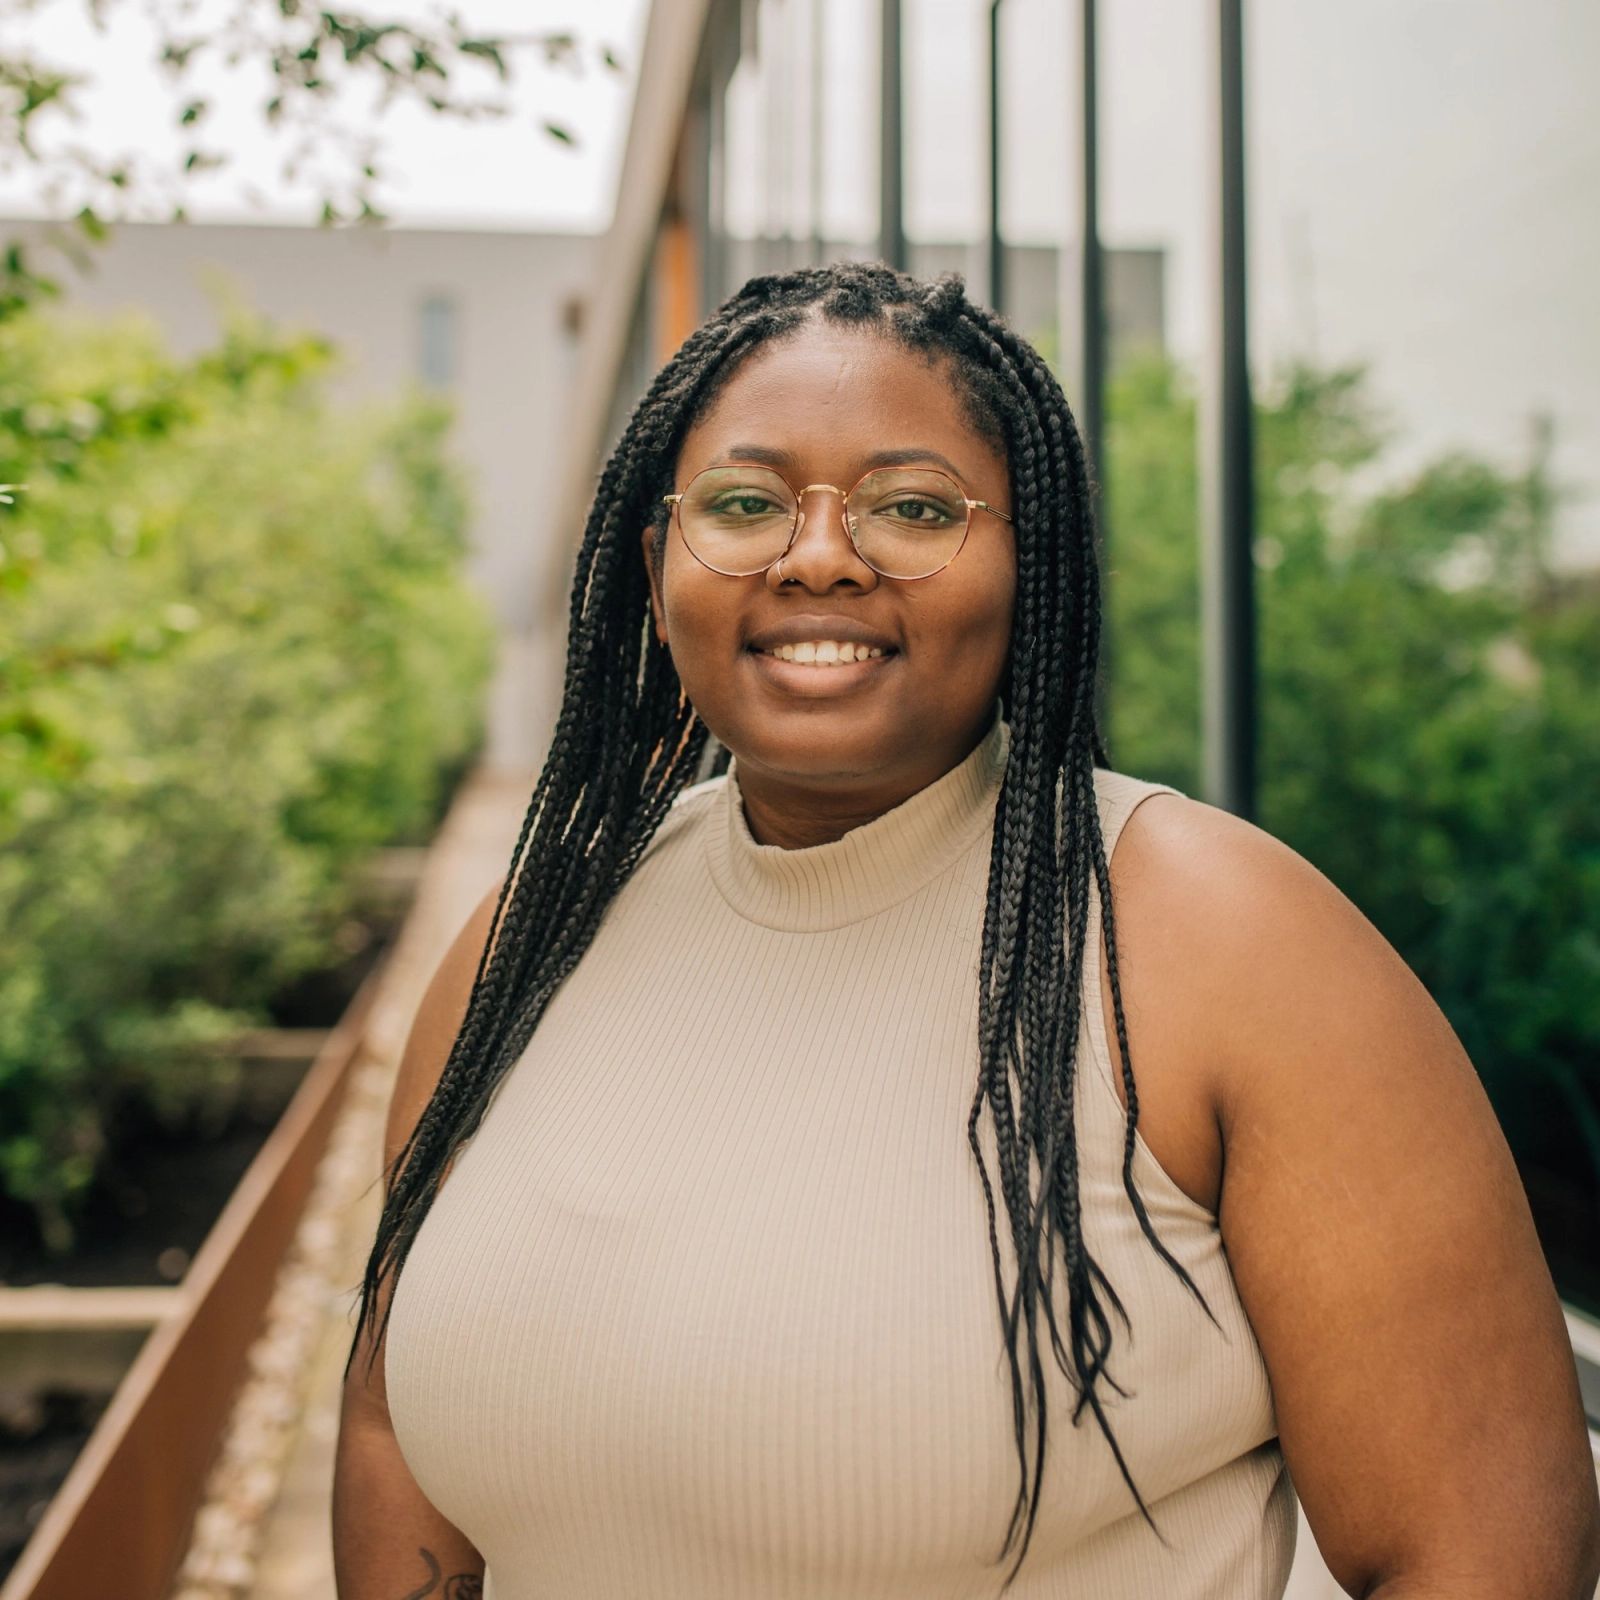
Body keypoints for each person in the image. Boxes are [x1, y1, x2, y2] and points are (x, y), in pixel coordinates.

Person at [332, 262, 1599, 1600]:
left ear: (1026, 562)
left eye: (914, 507)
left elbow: (1485, 1553)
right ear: (658, 567)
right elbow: (387, 1428)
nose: (819, 554)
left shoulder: (1220, 942)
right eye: (748, 504)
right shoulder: (527, 939)